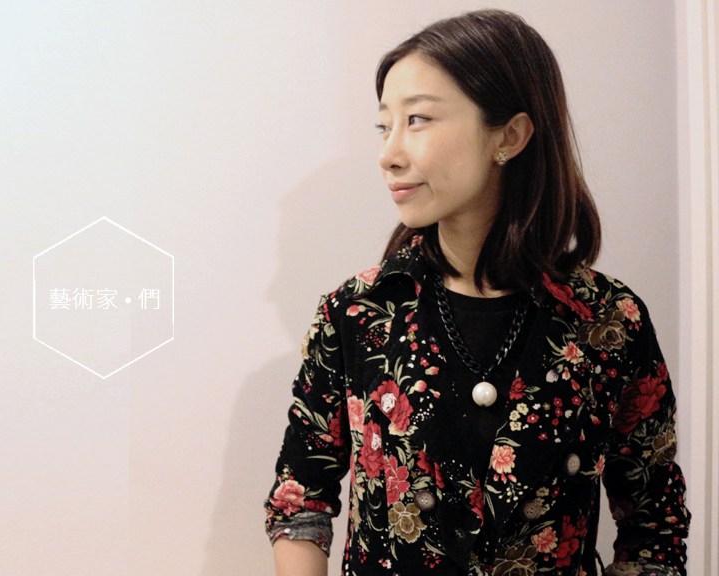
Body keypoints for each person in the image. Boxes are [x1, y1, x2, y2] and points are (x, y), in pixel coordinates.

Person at [263, 9, 690, 576]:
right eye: (384, 126)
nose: (388, 154)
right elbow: (300, 502)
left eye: (417, 119)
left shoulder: (609, 321)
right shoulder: (359, 313)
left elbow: (654, 527)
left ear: (509, 136)